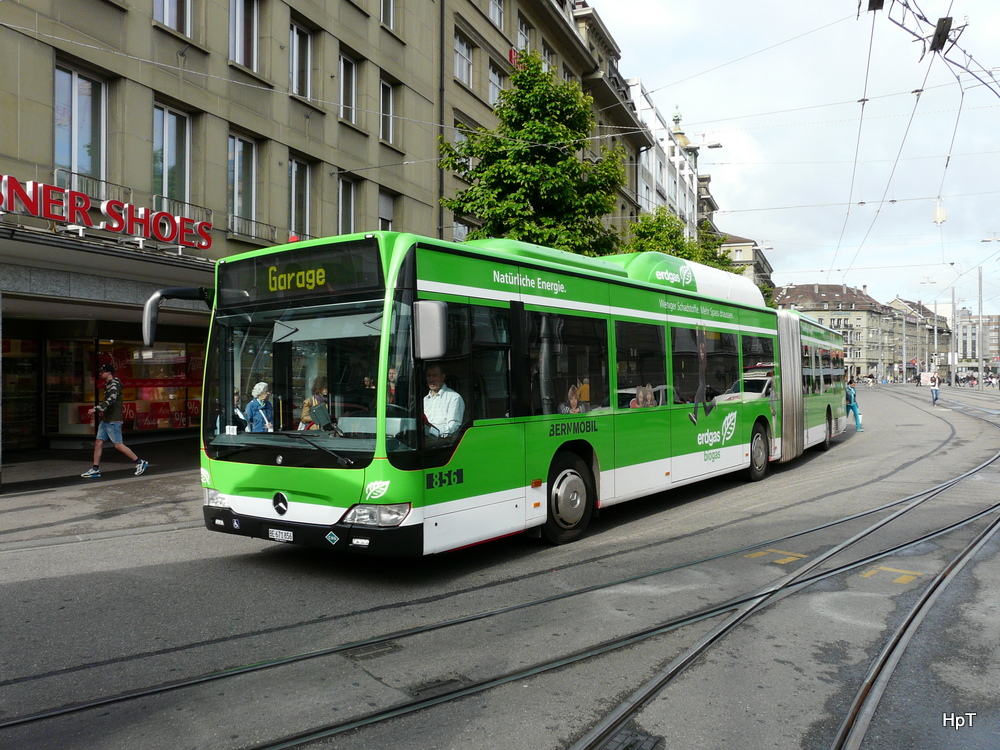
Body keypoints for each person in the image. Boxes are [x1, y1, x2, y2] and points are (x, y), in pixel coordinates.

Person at [81, 363, 148, 478]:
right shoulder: (110, 384)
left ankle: (140, 462)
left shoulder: (114, 384)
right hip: (106, 420)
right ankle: (95, 469)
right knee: (98, 442)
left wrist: (97, 408)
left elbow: (111, 399)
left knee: (118, 445)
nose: (100, 374)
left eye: (102, 372)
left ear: (109, 373)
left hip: (113, 420)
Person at [422, 363, 464, 438]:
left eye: (434, 376)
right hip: (424, 440)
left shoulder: (454, 398)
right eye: (429, 376)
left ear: (442, 377)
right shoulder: (425, 400)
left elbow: (454, 427)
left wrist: (432, 431)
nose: (431, 380)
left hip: (443, 442)